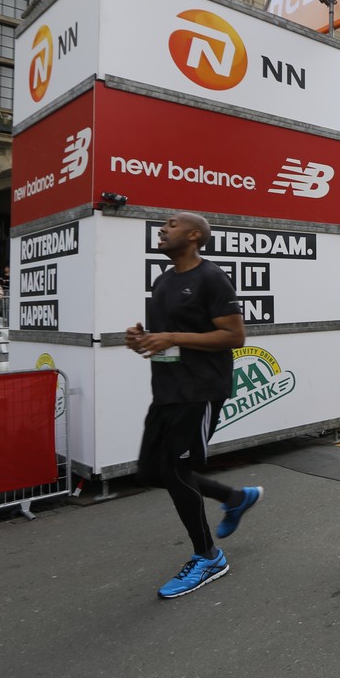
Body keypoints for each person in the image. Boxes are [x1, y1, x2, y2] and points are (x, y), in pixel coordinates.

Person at [125, 212, 259, 599]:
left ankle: (208, 557)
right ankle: (234, 497)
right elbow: (167, 337)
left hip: (200, 389)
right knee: (150, 472)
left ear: (194, 235)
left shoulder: (211, 277)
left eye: (172, 224)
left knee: (174, 468)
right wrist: (142, 339)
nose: (163, 229)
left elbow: (234, 336)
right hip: (167, 389)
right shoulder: (163, 281)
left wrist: (171, 337)